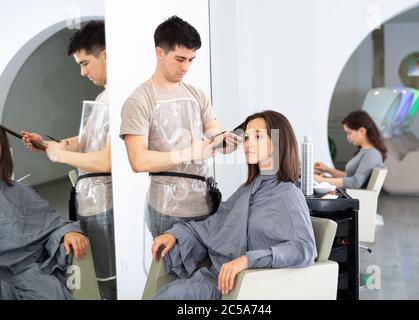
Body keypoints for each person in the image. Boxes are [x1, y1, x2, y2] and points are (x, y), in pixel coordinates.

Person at [150, 110, 317, 300]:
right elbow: (215, 225)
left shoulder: (288, 194)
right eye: (246, 138)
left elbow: (305, 248)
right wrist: (175, 234)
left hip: (248, 287)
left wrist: (246, 260)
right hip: (218, 278)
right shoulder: (246, 190)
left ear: (278, 142)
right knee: (166, 294)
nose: (248, 144)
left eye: (257, 137)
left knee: (172, 296)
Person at [120, 16, 241, 237]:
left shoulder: (197, 95)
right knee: (172, 271)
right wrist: (189, 153)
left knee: (205, 270)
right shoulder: (139, 101)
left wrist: (225, 141)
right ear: (159, 53)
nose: (185, 67)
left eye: (191, 60)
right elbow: (138, 161)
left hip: (204, 204)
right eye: (180, 59)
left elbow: (213, 131)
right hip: (167, 210)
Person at [20, 21, 116, 300]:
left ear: (106, 54)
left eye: (85, 63)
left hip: (107, 205)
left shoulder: (121, 99)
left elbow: (108, 161)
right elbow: (85, 140)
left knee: (110, 282)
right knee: (98, 276)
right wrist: (50, 145)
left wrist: (59, 155)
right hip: (91, 201)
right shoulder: (101, 98)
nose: (83, 72)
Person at [0, 128, 88, 300]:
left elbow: (53, 224)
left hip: (27, 273)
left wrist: (69, 233)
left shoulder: (18, 191)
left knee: (50, 292)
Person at [314, 110, 386, 189]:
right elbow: (349, 176)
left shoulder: (371, 154)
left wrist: (322, 180)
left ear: (362, 130)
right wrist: (327, 170)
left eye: (349, 133)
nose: (348, 137)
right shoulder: (366, 152)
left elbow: (355, 182)